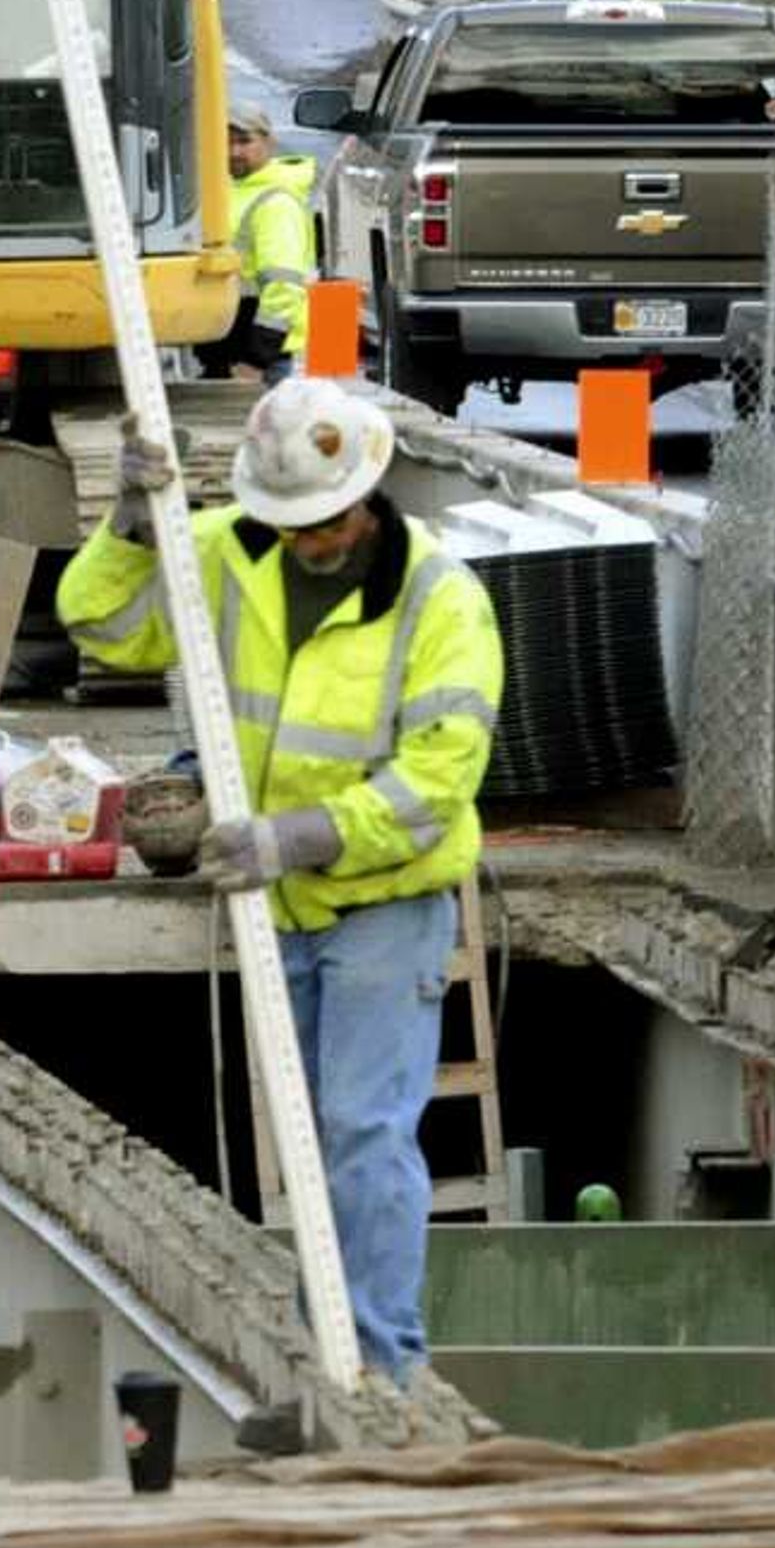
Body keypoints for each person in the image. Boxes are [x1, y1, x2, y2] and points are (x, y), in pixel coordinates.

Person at [53, 377, 505, 1384]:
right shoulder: (225, 550)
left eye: (323, 522)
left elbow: (438, 785)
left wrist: (297, 837)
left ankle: (382, 1373)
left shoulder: (441, 601)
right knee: (312, 1139)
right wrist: (132, 521)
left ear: (367, 496)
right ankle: (320, 1358)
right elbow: (101, 624)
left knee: (361, 1129)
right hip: (280, 906)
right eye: (291, 523)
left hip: (382, 903)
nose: (308, 540)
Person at [219, 94, 320, 381]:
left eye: (244, 141)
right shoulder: (226, 191)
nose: (234, 151)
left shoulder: (275, 202)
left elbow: (284, 288)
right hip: (229, 349)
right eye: (225, 141)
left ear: (268, 143)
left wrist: (256, 360)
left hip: (257, 360)